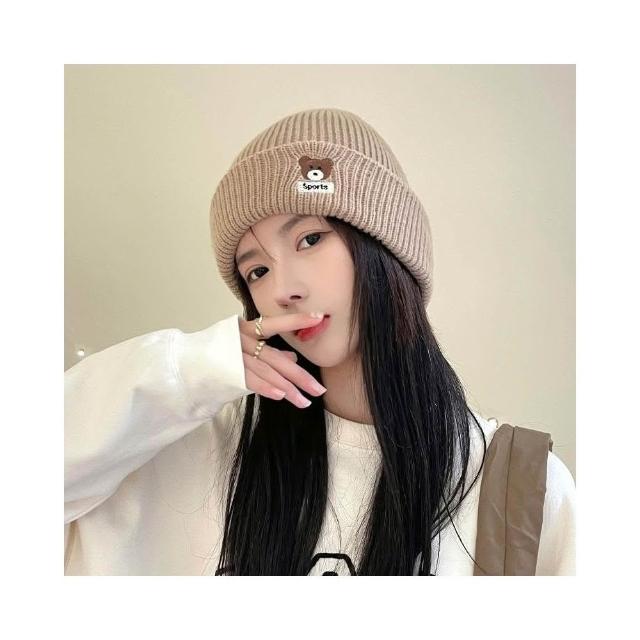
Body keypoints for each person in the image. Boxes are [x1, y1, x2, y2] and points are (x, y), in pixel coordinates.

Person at [64, 107, 576, 575]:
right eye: (257, 271)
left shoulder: (518, 490)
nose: (282, 290)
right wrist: (187, 368)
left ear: (385, 248)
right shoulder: (193, 448)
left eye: (309, 239)